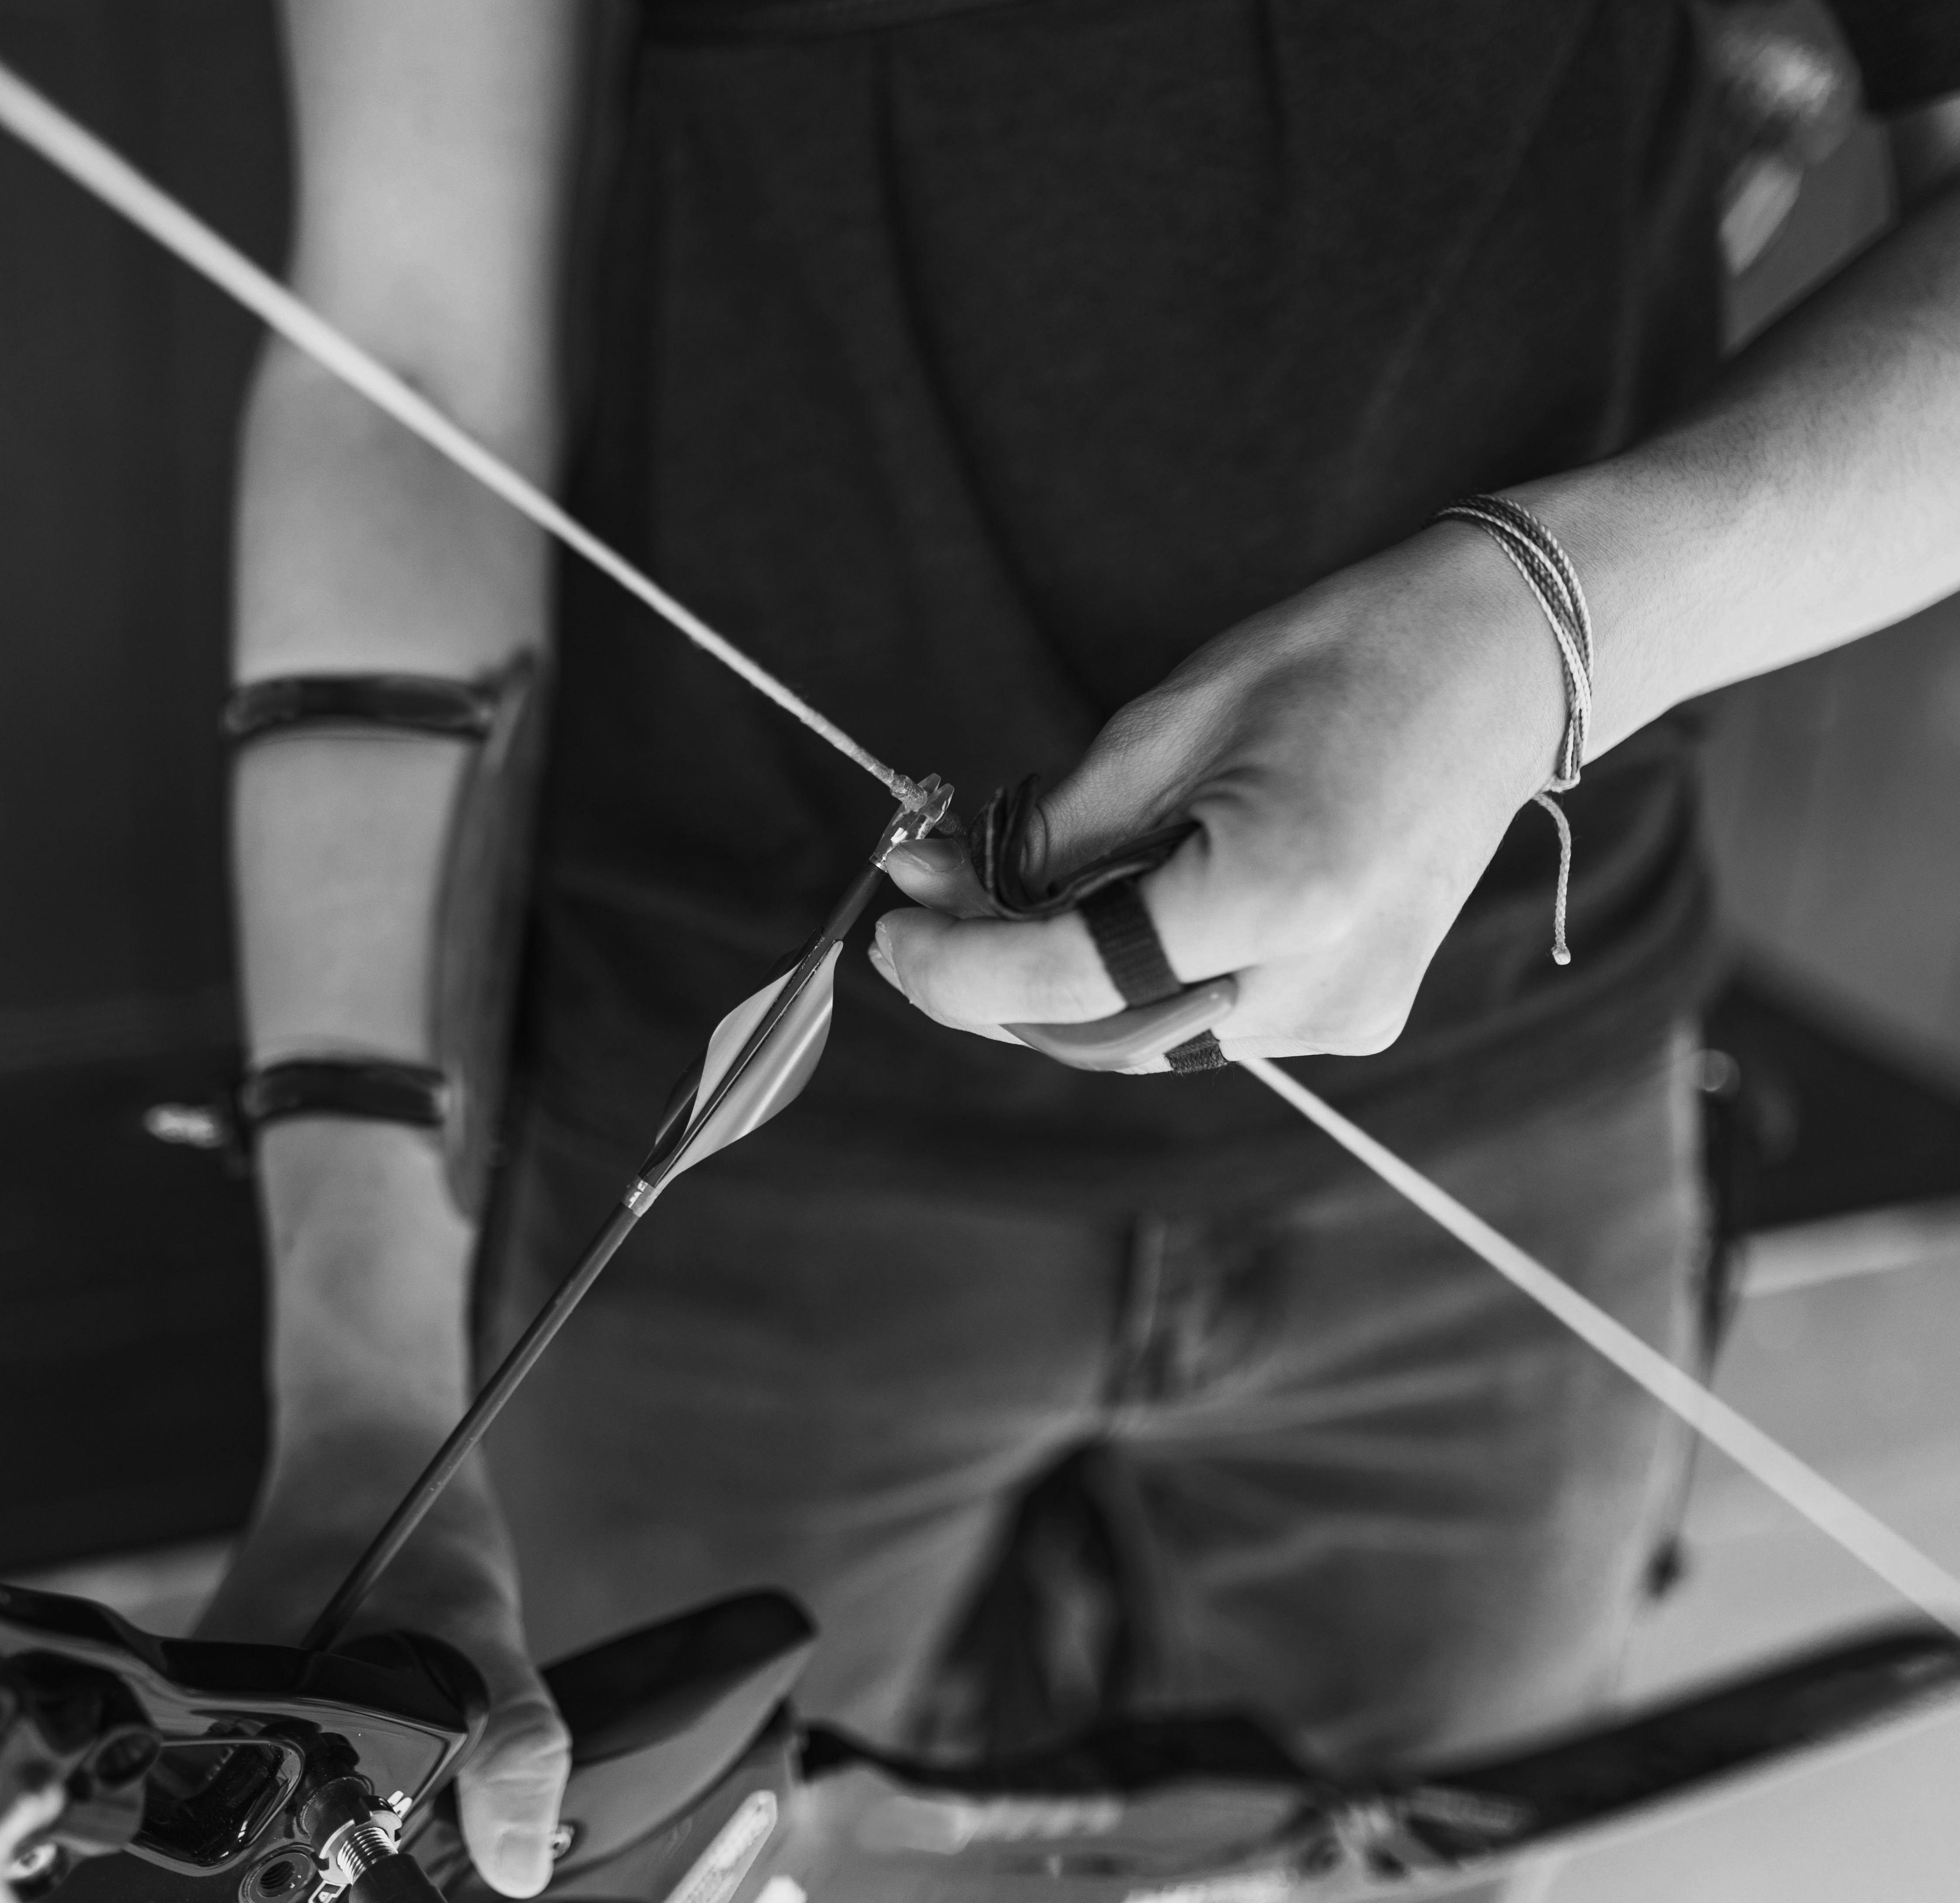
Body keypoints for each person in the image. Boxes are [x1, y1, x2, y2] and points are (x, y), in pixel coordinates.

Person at [197, 3, 1960, 1894]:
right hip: (738, 1184)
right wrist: (367, 1388)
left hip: (1525, 1114)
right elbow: (407, 352)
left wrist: (1541, 631)